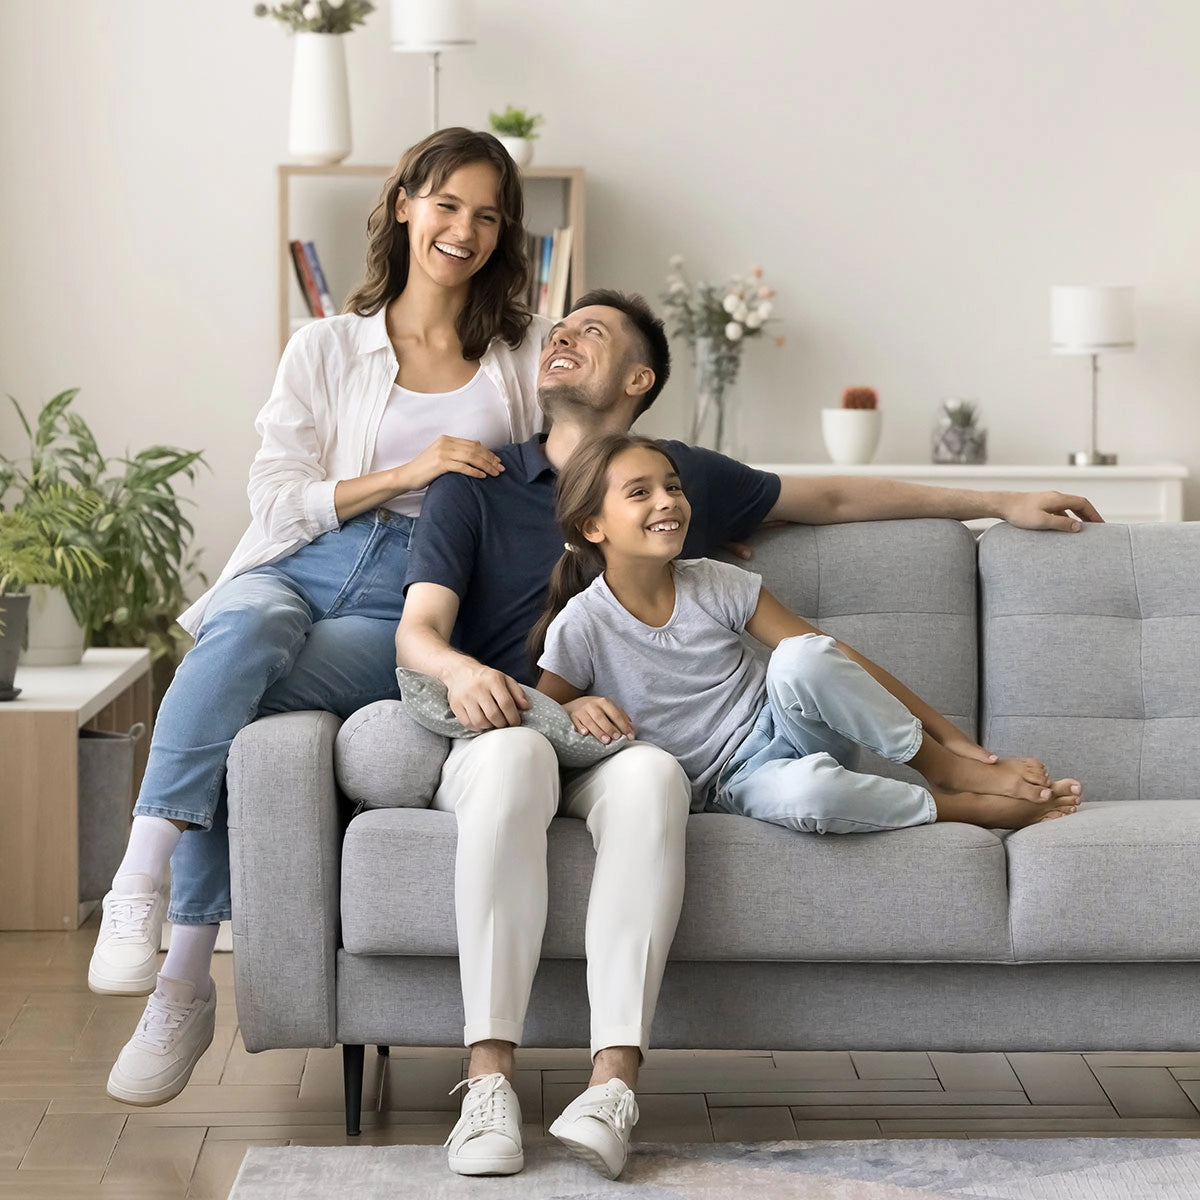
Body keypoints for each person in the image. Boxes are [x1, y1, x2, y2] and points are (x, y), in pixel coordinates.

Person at [394, 288, 1103, 1179]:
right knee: (516, 764)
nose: (563, 334)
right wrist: (474, 677)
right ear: (590, 522)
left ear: (639, 380)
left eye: (593, 331)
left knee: (654, 777)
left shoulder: (679, 488)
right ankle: (489, 1080)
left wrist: (999, 502)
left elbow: (838, 496)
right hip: (514, 723)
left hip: (633, 748)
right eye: (560, 325)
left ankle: (613, 1085)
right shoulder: (478, 483)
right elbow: (417, 636)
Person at [87, 127, 549, 1108]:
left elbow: (568, 466)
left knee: (241, 709)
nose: (463, 229)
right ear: (402, 205)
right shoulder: (329, 345)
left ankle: (181, 983)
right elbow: (276, 498)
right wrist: (410, 471)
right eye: (446, 204)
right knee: (242, 637)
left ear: (503, 235)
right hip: (301, 560)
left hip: (412, 595)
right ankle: (142, 875)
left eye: (487, 214)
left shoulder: (515, 360)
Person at [532, 431, 1084, 838]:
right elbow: (545, 722)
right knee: (812, 794)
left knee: (800, 656)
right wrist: (577, 704)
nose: (667, 501)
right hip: (734, 785)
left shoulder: (715, 582)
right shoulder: (582, 624)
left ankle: (948, 776)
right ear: (592, 526)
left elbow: (831, 658)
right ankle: (968, 810)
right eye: (639, 493)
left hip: (794, 726)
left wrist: (952, 744)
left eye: (672, 486)